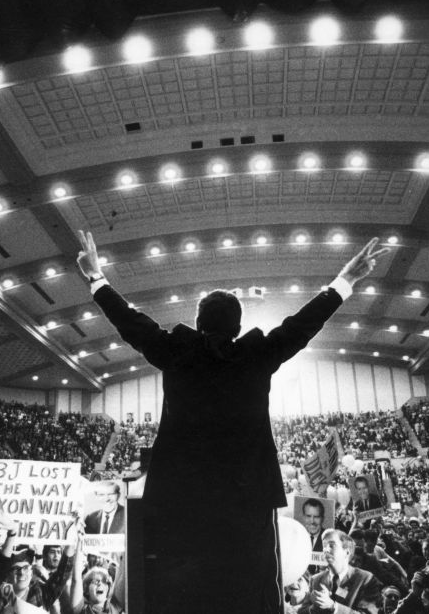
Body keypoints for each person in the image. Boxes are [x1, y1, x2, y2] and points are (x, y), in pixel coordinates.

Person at [75, 231, 389, 614]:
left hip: (182, 496)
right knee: (254, 584)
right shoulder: (256, 356)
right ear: (238, 327)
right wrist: (347, 279)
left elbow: (130, 323)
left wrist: (97, 278)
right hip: (248, 498)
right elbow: (301, 326)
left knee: (181, 588)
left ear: (197, 321)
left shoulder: (176, 352)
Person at [298, 529, 383, 614]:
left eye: (332, 545)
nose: (326, 550)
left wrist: (333, 607)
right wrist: (314, 607)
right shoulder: (315, 579)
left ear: (346, 552)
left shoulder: (366, 579)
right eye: (324, 545)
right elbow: (302, 611)